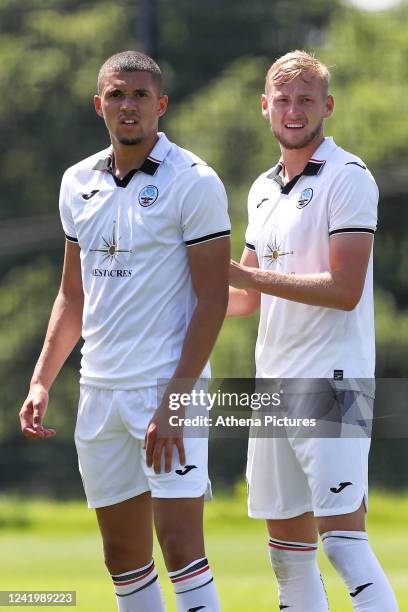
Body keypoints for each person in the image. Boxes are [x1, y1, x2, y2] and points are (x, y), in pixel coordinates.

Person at [19, 50, 230, 612]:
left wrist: (177, 398)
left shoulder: (196, 181)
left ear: (161, 105)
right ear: (99, 105)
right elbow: (72, 294)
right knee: (122, 557)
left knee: (181, 546)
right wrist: (42, 381)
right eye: (116, 95)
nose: (128, 105)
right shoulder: (76, 183)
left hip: (166, 388)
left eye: (140, 95)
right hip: (99, 393)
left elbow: (213, 298)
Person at [228, 50, 398, 611]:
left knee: (344, 545)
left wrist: (243, 273)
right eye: (283, 100)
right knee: (288, 556)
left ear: (326, 106)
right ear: (265, 107)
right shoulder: (260, 188)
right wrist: (164, 293)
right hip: (273, 385)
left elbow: (344, 288)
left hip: (334, 384)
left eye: (305, 100)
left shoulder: (349, 177)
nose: (293, 110)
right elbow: (245, 298)